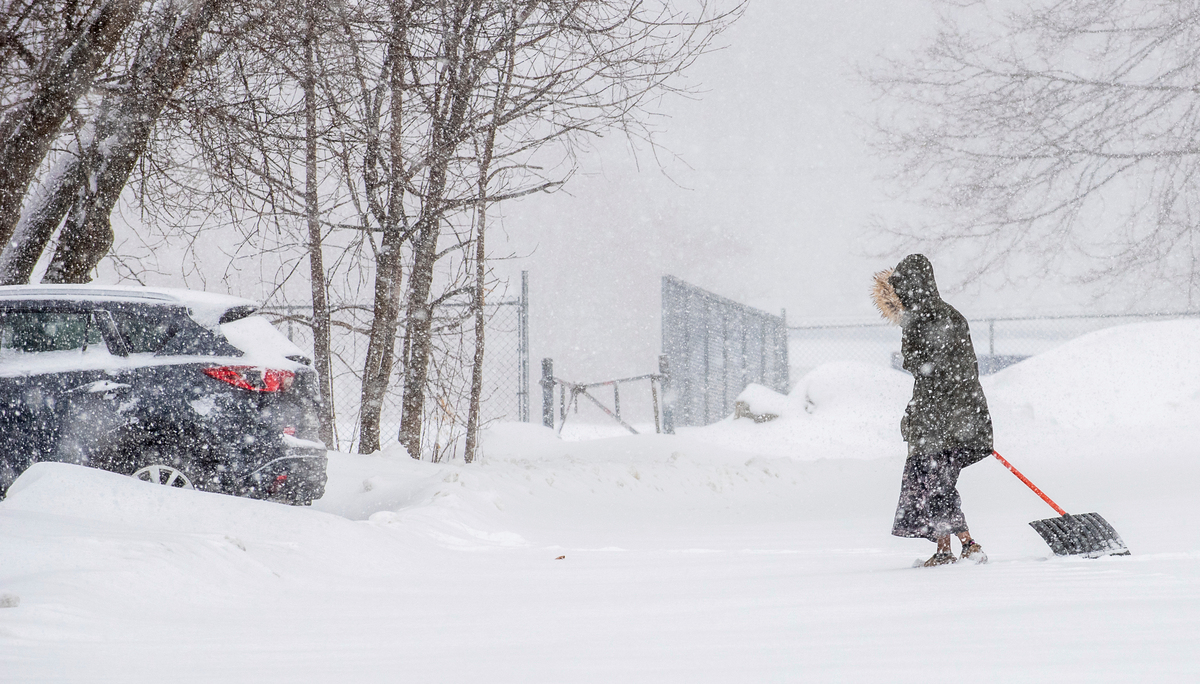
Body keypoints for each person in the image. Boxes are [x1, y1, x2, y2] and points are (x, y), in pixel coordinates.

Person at [872, 254, 993, 567]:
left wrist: (933, 415)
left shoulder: (924, 319)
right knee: (938, 483)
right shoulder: (948, 314)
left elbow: (923, 366)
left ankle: (962, 548)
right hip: (957, 414)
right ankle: (954, 548)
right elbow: (955, 369)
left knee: (935, 483)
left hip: (940, 419)